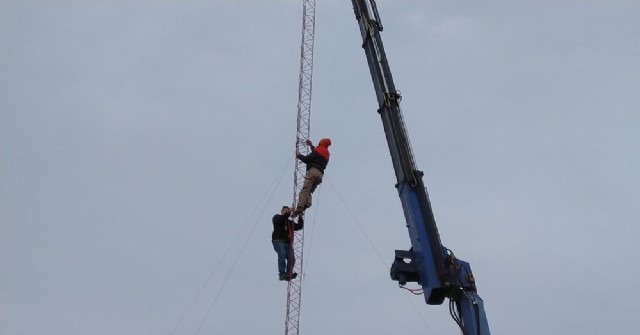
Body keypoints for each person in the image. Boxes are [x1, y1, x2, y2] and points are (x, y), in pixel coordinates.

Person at [295, 138, 331, 215]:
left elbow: (307, 159)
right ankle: (306, 204)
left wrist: (299, 155)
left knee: (305, 190)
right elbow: (316, 154)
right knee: (309, 191)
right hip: (320, 175)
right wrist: (311, 146)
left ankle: (299, 208)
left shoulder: (319, 150)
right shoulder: (327, 153)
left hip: (313, 172)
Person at [272, 206, 304, 281]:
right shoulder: (277, 217)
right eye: (286, 211)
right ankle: (282, 274)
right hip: (279, 241)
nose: (287, 212)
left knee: (292, 258)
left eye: (288, 211)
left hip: (288, 243)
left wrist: (300, 217)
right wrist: (289, 212)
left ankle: (288, 274)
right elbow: (281, 220)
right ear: (282, 211)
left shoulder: (289, 222)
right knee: (282, 255)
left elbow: (299, 226)